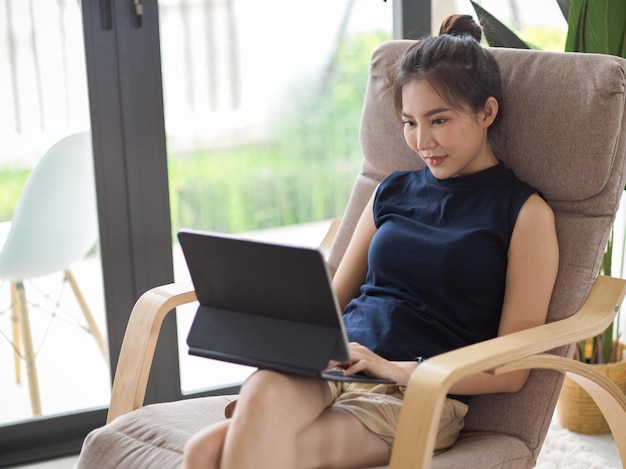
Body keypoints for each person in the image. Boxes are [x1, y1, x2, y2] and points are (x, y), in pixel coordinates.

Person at [182, 14, 559, 469]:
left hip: (417, 391)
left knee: (216, 454)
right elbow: (332, 302)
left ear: (487, 112)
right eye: (410, 122)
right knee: (203, 446)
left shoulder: (525, 213)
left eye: (439, 120)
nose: (422, 141)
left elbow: (513, 369)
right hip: (341, 365)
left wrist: (398, 368)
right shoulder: (392, 191)